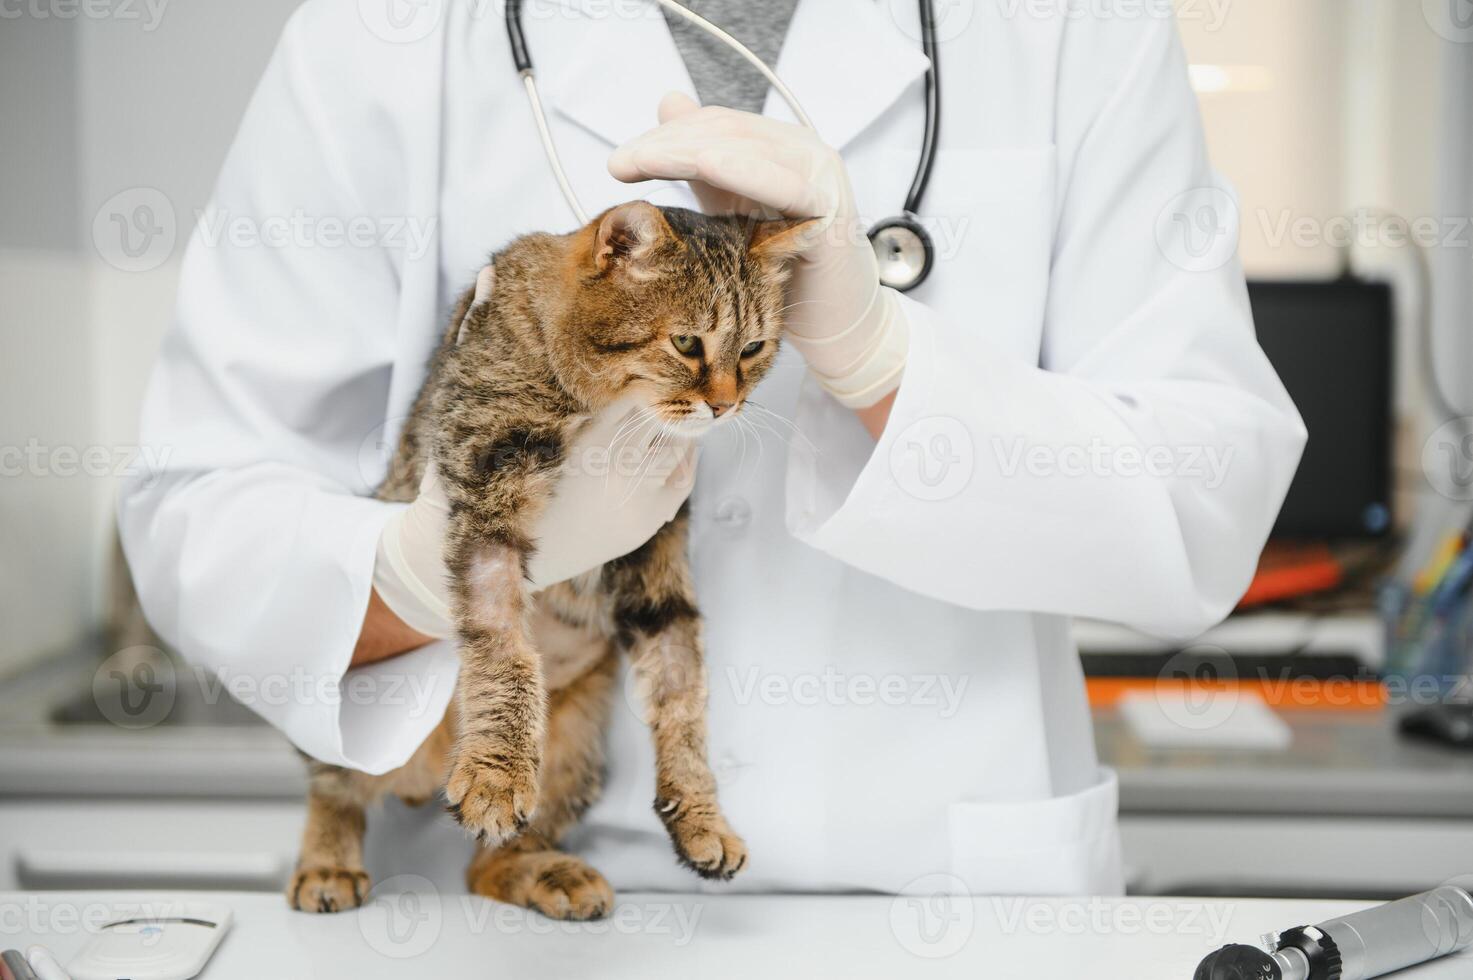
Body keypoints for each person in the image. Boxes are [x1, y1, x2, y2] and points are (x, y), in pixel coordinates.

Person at [119, 0, 1305, 896]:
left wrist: (882, 359)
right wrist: (418, 570)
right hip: (493, 914)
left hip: (952, 901)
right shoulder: (386, 31)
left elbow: (1207, 503)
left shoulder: (1071, 24)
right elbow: (195, 509)